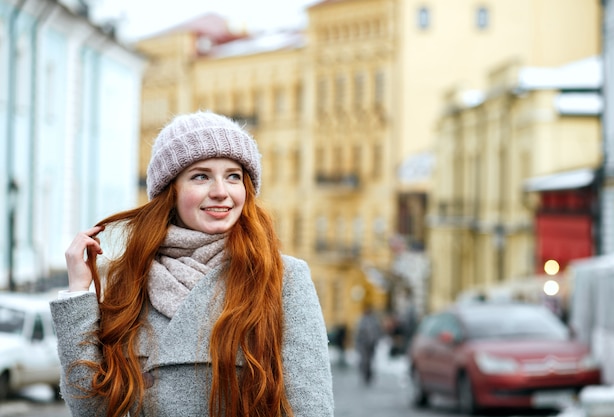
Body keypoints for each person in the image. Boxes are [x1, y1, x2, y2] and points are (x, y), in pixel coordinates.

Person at [50, 111, 334, 417]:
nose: (221, 192)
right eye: (201, 176)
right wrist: (79, 291)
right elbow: (91, 408)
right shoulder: (133, 282)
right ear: (170, 191)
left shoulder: (282, 278)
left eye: (233, 176)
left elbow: (311, 409)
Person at [354, 305, 382, 385]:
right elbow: (358, 333)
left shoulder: (374, 321)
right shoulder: (362, 321)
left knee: (370, 361)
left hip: (371, 345)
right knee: (364, 361)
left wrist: (376, 341)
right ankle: (365, 375)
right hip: (363, 345)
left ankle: (369, 375)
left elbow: (377, 332)